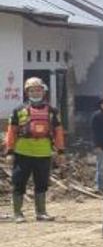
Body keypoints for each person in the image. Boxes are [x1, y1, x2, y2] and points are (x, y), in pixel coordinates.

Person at [4, 77, 66, 222]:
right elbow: (11, 132)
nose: (35, 92)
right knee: (19, 182)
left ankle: (41, 212)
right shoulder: (18, 111)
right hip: (22, 152)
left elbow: (58, 132)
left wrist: (61, 151)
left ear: (43, 92)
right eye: (32, 90)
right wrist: (9, 151)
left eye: (38, 90)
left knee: (42, 183)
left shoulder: (52, 111)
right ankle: (18, 213)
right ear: (27, 92)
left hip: (43, 153)